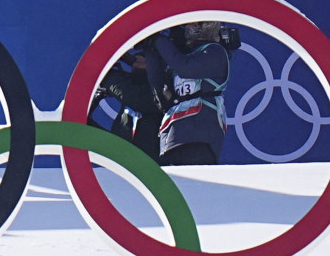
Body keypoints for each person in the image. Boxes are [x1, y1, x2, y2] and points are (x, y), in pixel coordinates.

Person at [143, 21, 231, 166]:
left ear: (204, 26)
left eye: (190, 24)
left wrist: (159, 40)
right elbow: (160, 91)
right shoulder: (182, 58)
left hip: (200, 136)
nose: (186, 29)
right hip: (171, 138)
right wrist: (150, 49)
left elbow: (185, 68)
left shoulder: (215, 51)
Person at [89, 52, 164, 162]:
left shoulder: (161, 89)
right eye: (134, 63)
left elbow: (135, 97)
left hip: (150, 166)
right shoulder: (128, 95)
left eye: (141, 62)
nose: (135, 66)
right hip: (121, 165)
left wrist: (107, 76)